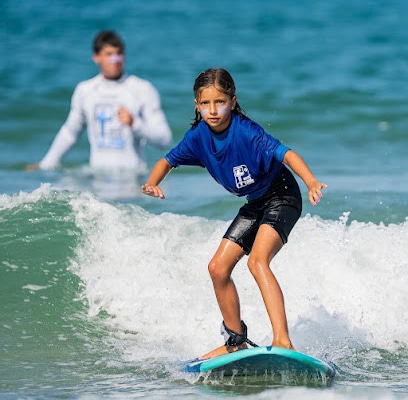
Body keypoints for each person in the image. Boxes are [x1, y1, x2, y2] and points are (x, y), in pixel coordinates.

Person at [141, 68, 327, 359]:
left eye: (220, 102)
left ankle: (283, 340)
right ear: (196, 105)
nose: (213, 110)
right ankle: (235, 341)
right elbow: (167, 160)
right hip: (255, 202)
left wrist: (311, 182)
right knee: (217, 268)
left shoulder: (246, 132)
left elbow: (286, 153)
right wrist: (153, 183)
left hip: (282, 196)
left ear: (232, 100)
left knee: (257, 262)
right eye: (205, 104)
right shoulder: (198, 137)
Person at [27, 30, 172, 172]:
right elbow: (69, 133)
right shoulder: (85, 90)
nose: (115, 60)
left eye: (119, 54)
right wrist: (45, 165)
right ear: (96, 57)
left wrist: (135, 123)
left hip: (131, 181)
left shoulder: (142, 89)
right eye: (109, 54)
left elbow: (164, 140)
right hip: (97, 179)